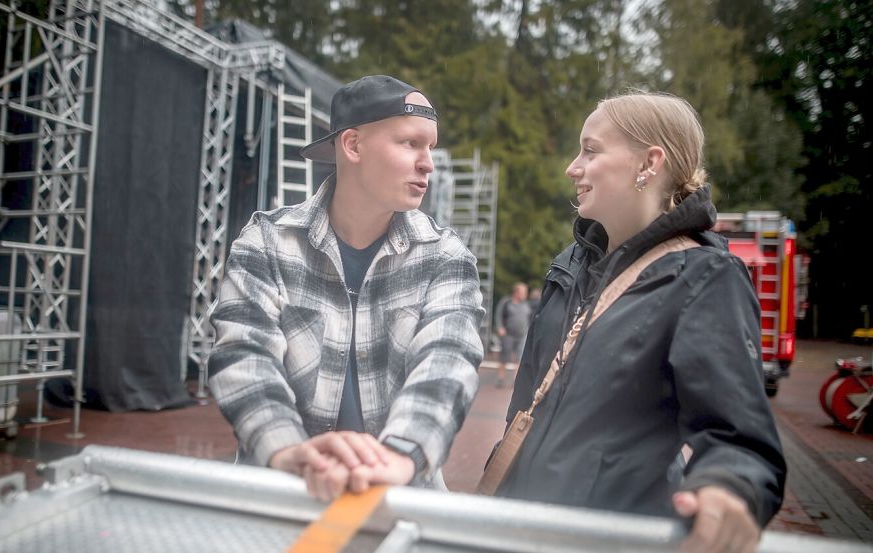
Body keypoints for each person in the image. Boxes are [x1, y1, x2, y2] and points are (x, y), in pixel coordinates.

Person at [491, 91, 785, 553]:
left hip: (610, 540)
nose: (573, 166)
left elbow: (737, 438)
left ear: (650, 162)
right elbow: (524, 408)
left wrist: (729, 490)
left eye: (591, 149)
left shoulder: (704, 276)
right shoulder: (570, 265)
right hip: (517, 529)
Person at [208, 75, 484, 502]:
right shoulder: (267, 240)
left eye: (430, 146)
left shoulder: (445, 255)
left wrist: (398, 458)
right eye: (410, 143)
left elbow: (447, 363)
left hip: (400, 498)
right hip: (282, 493)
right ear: (353, 146)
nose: (428, 162)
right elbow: (244, 355)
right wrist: (288, 451)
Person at [494, 282, 530, 387]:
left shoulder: (526, 305)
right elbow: (499, 315)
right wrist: (500, 327)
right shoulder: (506, 302)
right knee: (504, 357)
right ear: (516, 293)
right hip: (508, 335)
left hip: (522, 335)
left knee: (519, 358)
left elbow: (528, 318)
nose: (525, 295)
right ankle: (501, 378)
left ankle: (516, 380)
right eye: (523, 293)